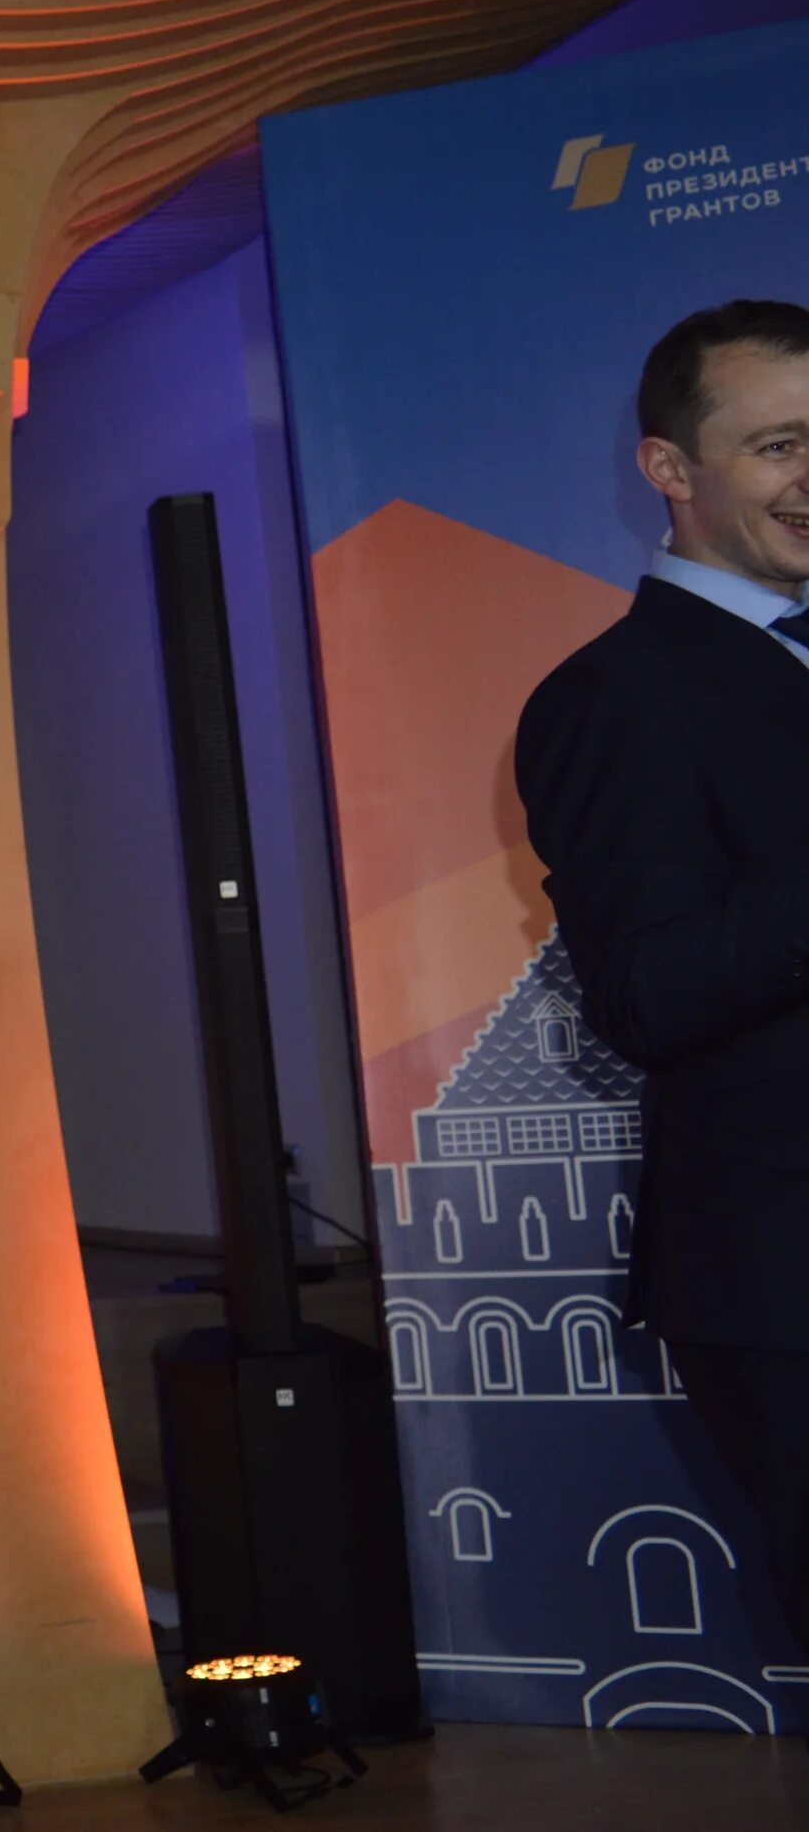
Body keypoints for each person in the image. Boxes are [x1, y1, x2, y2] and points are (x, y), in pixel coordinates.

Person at [515, 297, 809, 1651]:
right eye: (780, 446)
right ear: (670, 469)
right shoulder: (612, 697)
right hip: (781, 1271)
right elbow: (647, 994)